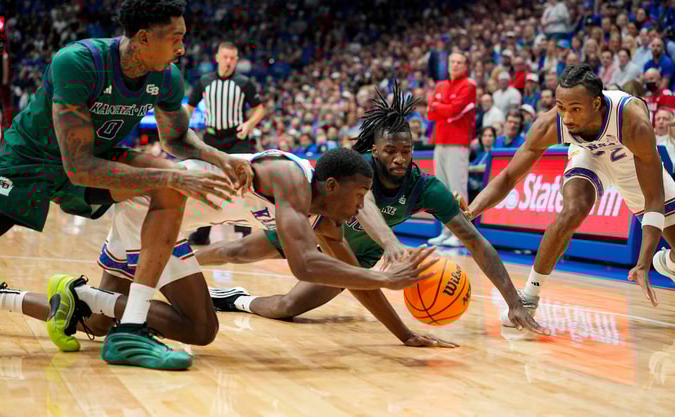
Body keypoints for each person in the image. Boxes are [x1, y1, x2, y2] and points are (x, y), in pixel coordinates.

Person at [0, 0, 253, 370]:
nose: (183, 48)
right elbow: (79, 167)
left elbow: (178, 139)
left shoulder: (167, 76)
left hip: (97, 159)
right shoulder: (78, 62)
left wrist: (219, 157)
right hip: (29, 164)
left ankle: (131, 323)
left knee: (167, 186)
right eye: (176, 38)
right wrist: (171, 174)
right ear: (145, 39)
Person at [0, 149, 441, 367]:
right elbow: (305, 266)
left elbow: (352, 277)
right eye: (358, 197)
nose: (360, 207)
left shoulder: (324, 215)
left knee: (104, 315)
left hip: (151, 209)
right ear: (331, 186)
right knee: (199, 328)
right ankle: (76, 292)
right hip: (155, 206)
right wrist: (391, 278)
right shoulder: (290, 180)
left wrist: (403, 332)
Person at [199, 86, 544, 337]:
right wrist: (391, 243)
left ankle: (238, 300)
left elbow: (475, 240)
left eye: (406, 150)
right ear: (375, 150)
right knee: (235, 250)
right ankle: (175, 261)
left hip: (352, 255)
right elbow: (366, 207)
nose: (399, 158)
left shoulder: (426, 188)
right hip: (312, 228)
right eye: (390, 150)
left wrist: (513, 301)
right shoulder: (358, 170)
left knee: (287, 308)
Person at [464, 64, 675, 327]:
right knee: (573, 209)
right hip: (590, 156)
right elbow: (510, 176)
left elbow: (653, 200)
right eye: (561, 107)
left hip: (632, 164)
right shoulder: (552, 123)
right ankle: (529, 296)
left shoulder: (634, 122)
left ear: (596, 103)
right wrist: (472, 211)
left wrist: (644, 261)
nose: (566, 117)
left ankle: (671, 265)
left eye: (575, 109)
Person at [185, 41, 267, 245]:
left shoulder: (244, 83)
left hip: (237, 138)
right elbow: (189, 107)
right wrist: (182, 128)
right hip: (211, 139)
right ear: (217, 58)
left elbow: (259, 108)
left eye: (232, 58)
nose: (228, 61)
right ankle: (202, 233)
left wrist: (248, 124)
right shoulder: (204, 82)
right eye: (225, 57)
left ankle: (244, 233)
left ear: (237, 60)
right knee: (207, 182)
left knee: (244, 182)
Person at [426, 52, 476, 248]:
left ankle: (462, 234)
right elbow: (430, 113)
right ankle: (447, 231)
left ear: (466, 66)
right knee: (442, 189)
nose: (455, 65)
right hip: (440, 141)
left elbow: (455, 112)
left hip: (458, 142)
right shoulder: (440, 85)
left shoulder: (469, 86)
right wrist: (442, 108)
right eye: (452, 62)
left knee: (458, 188)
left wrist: (440, 106)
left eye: (459, 62)